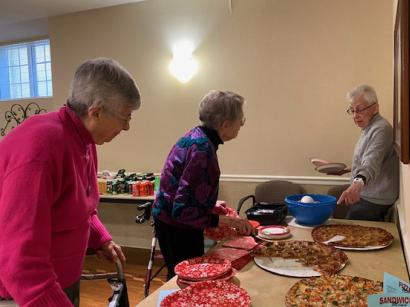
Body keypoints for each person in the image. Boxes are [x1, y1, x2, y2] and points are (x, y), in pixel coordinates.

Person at [0, 58, 141, 306]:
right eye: (125, 117)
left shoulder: (84, 140)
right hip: (22, 295)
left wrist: (101, 238)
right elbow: (19, 261)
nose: (127, 127)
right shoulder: (41, 149)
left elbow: (80, 207)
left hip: (59, 281)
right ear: (95, 112)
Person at [152, 90, 253, 280]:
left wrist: (210, 206)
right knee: (186, 279)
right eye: (241, 120)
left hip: (168, 221)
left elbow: (185, 193)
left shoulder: (196, 136)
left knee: (178, 276)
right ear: (225, 125)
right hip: (177, 228)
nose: (241, 124)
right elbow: (183, 211)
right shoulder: (202, 150)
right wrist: (230, 221)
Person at [335, 84, 399, 221]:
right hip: (368, 197)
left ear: (375, 107)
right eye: (351, 110)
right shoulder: (369, 127)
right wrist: (348, 169)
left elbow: (372, 161)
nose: (355, 116)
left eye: (359, 110)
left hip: (374, 201)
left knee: (350, 239)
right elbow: (371, 158)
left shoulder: (381, 129)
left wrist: (357, 183)